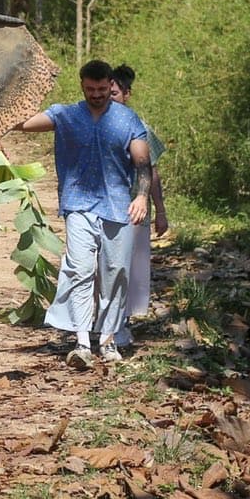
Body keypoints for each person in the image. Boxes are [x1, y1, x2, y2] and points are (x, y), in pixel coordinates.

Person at [14, 59, 151, 367]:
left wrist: (141, 196)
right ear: (82, 86)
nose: (97, 94)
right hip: (78, 205)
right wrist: (13, 99)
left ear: (110, 86)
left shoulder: (128, 119)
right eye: (91, 89)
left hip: (118, 207)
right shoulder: (65, 114)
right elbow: (22, 124)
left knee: (116, 273)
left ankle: (108, 339)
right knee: (80, 270)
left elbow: (143, 164)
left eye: (103, 89)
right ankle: (81, 342)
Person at [109, 65, 169, 347]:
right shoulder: (96, 123)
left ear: (127, 94)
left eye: (114, 93)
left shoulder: (141, 128)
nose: (110, 98)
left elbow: (152, 171)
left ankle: (122, 321)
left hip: (136, 207)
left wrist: (160, 210)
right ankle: (103, 321)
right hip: (106, 205)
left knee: (131, 267)